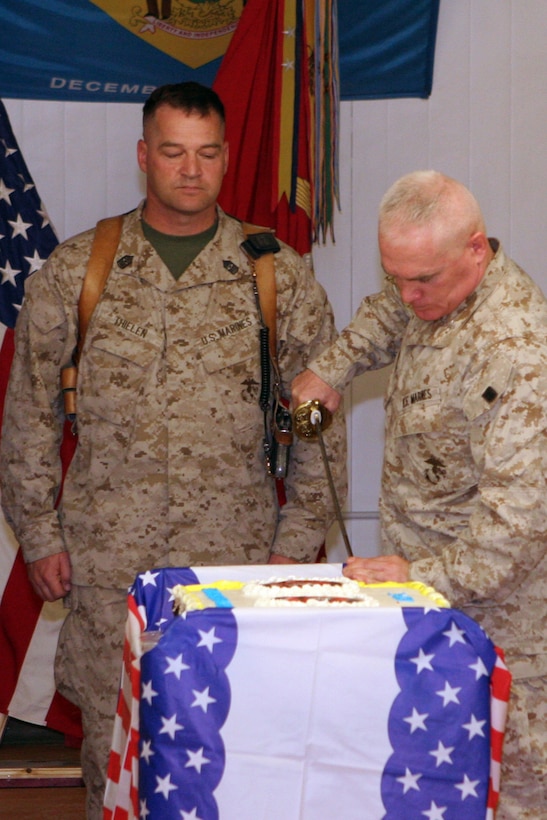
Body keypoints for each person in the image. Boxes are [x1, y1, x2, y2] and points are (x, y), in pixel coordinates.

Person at [0, 81, 346, 818]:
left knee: (237, 755)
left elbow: (317, 425)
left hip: (235, 570)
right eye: (172, 152)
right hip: (107, 571)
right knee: (113, 761)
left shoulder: (274, 275)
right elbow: (28, 415)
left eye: (207, 153)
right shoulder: (78, 270)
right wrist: (38, 535)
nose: (190, 170)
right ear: (143, 157)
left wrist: (295, 546)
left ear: (224, 159)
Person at [291, 170, 547, 819]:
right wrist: (333, 366)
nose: (407, 295)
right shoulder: (430, 286)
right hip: (431, 603)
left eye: (422, 280)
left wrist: (414, 576)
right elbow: (387, 314)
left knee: (510, 794)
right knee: (432, 783)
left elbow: (512, 532)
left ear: (476, 249)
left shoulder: (516, 353)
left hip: (506, 633)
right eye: (393, 274)